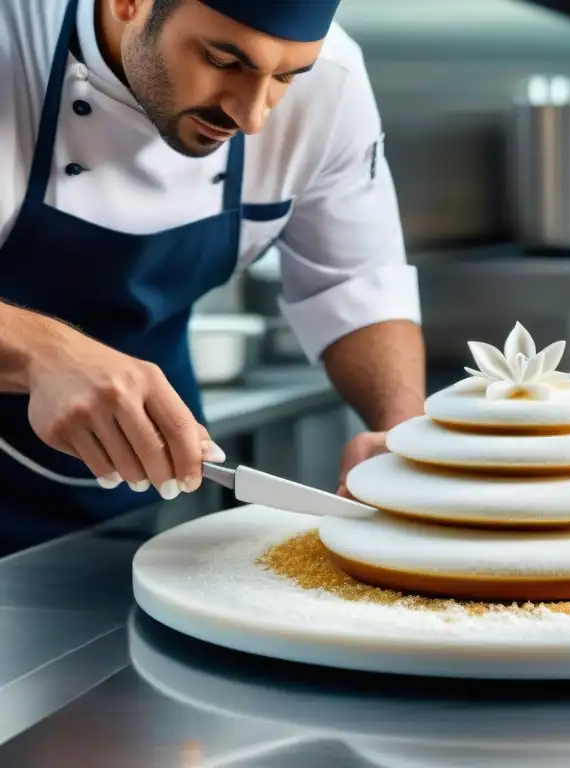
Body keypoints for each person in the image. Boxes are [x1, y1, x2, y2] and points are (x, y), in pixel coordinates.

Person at [0, 0, 425, 552]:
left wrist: (405, 439)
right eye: (225, 61)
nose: (253, 116)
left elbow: (353, 284)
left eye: (286, 78)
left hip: (132, 493)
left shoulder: (333, 80)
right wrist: (43, 354)